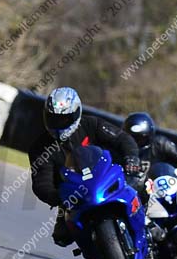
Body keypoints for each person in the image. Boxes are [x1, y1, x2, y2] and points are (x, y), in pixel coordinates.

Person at [28, 87, 142, 247]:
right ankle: (97, 251)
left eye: (64, 119)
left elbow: (122, 138)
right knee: (62, 236)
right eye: (53, 119)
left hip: (106, 177)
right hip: (73, 195)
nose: (58, 125)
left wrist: (131, 158)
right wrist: (58, 197)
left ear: (76, 113)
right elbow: (41, 182)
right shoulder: (40, 148)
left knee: (140, 185)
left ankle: (149, 224)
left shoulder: (91, 124)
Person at [122, 112, 177, 189]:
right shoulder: (119, 148)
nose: (135, 143)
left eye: (140, 139)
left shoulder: (161, 144)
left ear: (149, 136)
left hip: (165, 189)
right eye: (131, 139)